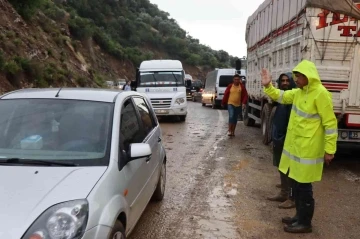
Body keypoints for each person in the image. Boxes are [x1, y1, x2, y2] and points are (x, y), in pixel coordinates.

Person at [261, 60, 337, 233]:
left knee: (304, 188)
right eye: (295, 75)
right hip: (296, 148)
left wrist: (330, 150)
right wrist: (268, 86)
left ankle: (305, 223)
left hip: (308, 150)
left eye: (299, 76)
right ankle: (298, 217)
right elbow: (280, 96)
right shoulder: (299, 93)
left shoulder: (320, 94)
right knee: (296, 185)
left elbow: (330, 124)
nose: (296, 79)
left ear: (308, 76)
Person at [266, 73, 296, 210]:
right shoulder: (281, 98)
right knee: (281, 167)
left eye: (287, 80)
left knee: (291, 170)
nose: (284, 83)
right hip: (279, 138)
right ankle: (283, 193)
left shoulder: (294, 98)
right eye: (282, 81)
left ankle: (292, 197)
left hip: (289, 139)